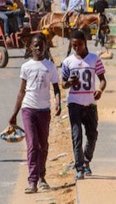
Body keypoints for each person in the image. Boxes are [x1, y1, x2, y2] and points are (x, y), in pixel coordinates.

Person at [9, 33, 61, 194]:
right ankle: (32, 181)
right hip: (28, 109)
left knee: (43, 145)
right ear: (31, 47)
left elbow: (57, 89)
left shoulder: (50, 66)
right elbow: (21, 91)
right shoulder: (26, 67)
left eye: (41, 45)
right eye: (35, 45)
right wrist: (14, 114)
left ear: (45, 46)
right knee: (32, 145)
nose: (38, 48)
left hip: (44, 111)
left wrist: (58, 103)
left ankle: (42, 177)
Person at [61, 30, 107, 179]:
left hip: (90, 104)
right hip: (74, 103)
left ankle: (86, 160)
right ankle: (79, 168)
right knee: (77, 136)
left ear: (85, 42)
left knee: (92, 135)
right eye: (74, 45)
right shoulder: (68, 62)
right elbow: (63, 84)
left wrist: (100, 90)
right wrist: (70, 82)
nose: (77, 48)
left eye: (79, 44)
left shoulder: (94, 59)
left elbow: (102, 79)